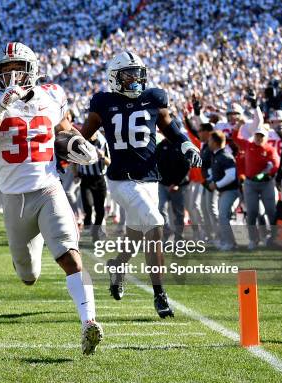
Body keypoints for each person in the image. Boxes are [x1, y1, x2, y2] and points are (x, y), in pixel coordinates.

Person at [0, 42, 103, 355]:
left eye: (18, 68)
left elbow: (64, 133)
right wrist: (0, 108)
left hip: (48, 187)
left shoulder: (52, 94)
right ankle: (36, 243)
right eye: (6, 69)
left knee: (69, 253)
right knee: (28, 276)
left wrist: (76, 145)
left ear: (32, 70)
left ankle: (89, 322)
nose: (13, 74)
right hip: (13, 199)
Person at [80, 51, 202, 318]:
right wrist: (61, 152)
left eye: (138, 73)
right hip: (120, 180)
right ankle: (160, 294)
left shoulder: (153, 98)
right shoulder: (103, 102)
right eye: (129, 74)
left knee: (137, 232)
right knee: (155, 222)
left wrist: (187, 144)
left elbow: (171, 128)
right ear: (115, 77)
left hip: (149, 179)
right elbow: (81, 136)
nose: (135, 78)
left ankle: (117, 266)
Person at [233, 123, 280, 249]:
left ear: (266, 137)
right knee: (252, 212)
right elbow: (235, 138)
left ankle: (275, 239)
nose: (259, 138)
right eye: (257, 136)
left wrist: (266, 173)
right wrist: (239, 125)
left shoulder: (270, 149)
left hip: (266, 184)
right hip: (250, 184)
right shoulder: (248, 146)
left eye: (262, 136)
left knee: (271, 212)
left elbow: (276, 165)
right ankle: (253, 239)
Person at [207, 131, 240, 251]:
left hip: (230, 191)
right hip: (224, 191)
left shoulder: (225, 156)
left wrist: (216, 184)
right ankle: (229, 242)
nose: (208, 142)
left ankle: (229, 243)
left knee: (223, 216)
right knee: (223, 216)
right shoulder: (217, 155)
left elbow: (231, 175)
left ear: (215, 142)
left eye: (210, 140)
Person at [77, 130, 110, 242]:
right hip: (85, 178)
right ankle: (88, 227)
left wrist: (102, 156)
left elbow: (109, 162)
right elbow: (75, 157)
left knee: (100, 209)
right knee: (88, 205)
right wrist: (75, 172)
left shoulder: (103, 142)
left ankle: (95, 232)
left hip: (99, 179)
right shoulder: (82, 140)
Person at [156, 137, 190, 242]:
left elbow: (186, 166)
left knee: (178, 212)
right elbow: (155, 163)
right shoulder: (161, 145)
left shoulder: (182, 146)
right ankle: (167, 234)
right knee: (161, 209)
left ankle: (179, 237)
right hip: (163, 184)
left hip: (179, 185)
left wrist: (176, 183)